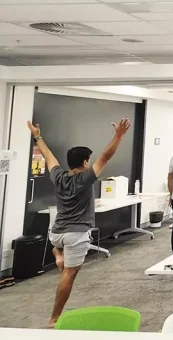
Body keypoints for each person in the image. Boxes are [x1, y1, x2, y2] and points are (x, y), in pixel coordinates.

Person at [26, 118, 131, 327]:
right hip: (75, 234)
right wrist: (118, 136)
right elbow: (106, 156)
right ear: (84, 163)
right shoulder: (85, 179)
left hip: (56, 233)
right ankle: (54, 317)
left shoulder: (58, 176)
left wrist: (37, 136)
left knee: (60, 251)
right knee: (70, 274)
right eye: (88, 161)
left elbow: (48, 155)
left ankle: (57, 253)